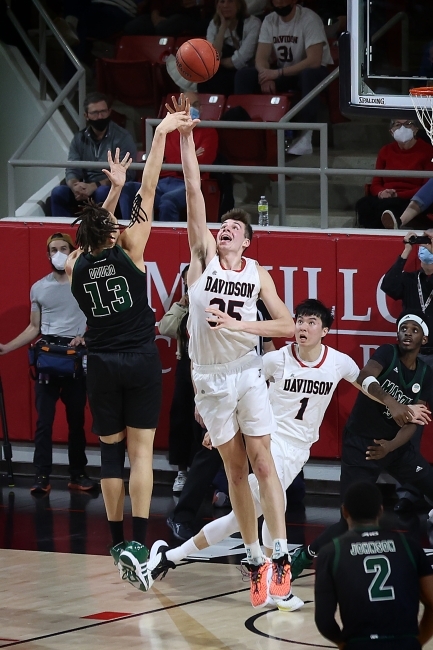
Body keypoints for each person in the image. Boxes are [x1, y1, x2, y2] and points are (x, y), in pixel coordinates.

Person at [148, 299, 424, 610]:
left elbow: (367, 384)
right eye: (299, 321)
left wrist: (400, 406)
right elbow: (241, 389)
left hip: (300, 449)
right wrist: (218, 425)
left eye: (311, 323)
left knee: (241, 518)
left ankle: (170, 557)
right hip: (270, 441)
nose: (303, 327)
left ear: (325, 330)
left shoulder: (338, 362)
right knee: (270, 503)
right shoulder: (275, 360)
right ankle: (275, 580)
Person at [168, 93, 296, 609]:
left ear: (247, 242)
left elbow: (285, 325)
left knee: (265, 463)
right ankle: (254, 559)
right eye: (223, 226)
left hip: (246, 370)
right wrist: (184, 136)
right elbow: (195, 190)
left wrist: (238, 322)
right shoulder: (203, 259)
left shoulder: (258, 273)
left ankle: (282, 557)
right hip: (209, 377)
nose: (225, 228)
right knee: (235, 471)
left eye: (235, 228)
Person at [65, 110, 192, 593]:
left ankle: (116, 542)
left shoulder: (76, 263)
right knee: (142, 455)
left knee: (110, 456)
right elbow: (153, 186)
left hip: (99, 362)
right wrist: (159, 136)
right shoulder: (132, 248)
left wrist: (111, 193)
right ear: (114, 232)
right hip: (138, 357)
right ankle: (140, 543)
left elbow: (93, 229)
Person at [291, 312, 433, 581]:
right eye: (403, 328)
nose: (407, 333)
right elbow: (366, 376)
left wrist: (390, 447)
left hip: (395, 447)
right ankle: (306, 554)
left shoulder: (426, 374)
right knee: (350, 520)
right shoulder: (387, 353)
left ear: (423, 338)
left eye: (414, 330)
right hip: (361, 445)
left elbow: (414, 422)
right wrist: (392, 402)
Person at [165, 299, 274, 541]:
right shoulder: (216, 301)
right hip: (221, 384)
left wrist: (274, 378)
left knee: (258, 456)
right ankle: (182, 515)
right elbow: (197, 357)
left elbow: (268, 346)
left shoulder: (259, 306)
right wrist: (199, 399)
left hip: (251, 384)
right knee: (211, 451)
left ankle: (254, 522)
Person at [0, 233, 96, 495]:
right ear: (47, 254)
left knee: (77, 422)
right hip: (47, 360)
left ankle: (78, 475)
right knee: (44, 422)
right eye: (53, 249)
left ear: (72, 251)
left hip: (75, 359)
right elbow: (34, 327)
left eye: (63, 248)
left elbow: (99, 319)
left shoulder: (85, 283)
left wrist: (85, 337)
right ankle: (41, 477)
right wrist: (6, 347)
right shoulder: (38, 288)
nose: (58, 253)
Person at [315, 481, 433, 650]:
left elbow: (324, 620)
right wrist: (417, 641)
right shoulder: (409, 545)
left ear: (345, 511)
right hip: (404, 643)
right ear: (381, 510)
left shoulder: (331, 552)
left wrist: (342, 643)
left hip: (359, 644)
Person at [234, 0, 333, 156]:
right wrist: (265, 75)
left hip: (313, 71)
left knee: (309, 74)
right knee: (244, 75)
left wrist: (277, 74)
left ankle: (305, 136)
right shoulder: (269, 20)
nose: (279, 3)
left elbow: (314, 60)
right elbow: (261, 57)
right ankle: (245, 132)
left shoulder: (309, 18)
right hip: (284, 71)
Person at [381, 235, 433, 512]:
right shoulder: (412, 280)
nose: (428, 248)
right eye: (426, 243)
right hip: (413, 360)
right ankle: (408, 492)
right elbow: (388, 284)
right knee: (410, 423)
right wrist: (406, 251)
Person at [51, 92, 138, 220]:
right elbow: (72, 169)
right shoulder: (79, 139)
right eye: (95, 113)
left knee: (102, 192)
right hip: (84, 188)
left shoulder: (123, 137)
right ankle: (63, 236)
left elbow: (127, 173)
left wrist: (95, 185)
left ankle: (100, 235)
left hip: (110, 188)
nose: (100, 116)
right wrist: (75, 186)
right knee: (58, 193)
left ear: (109, 112)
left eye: (103, 111)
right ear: (86, 116)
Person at [158, 265, 201, 493]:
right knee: (181, 418)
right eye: (187, 281)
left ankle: (204, 475)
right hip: (185, 366)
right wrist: (181, 305)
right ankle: (182, 472)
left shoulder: (213, 304)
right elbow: (165, 328)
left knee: (205, 423)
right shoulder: (183, 308)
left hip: (209, 368)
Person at [354, 118, 433, 229]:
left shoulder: (428, 151)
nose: (402, 128)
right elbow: (376, 182)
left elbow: (428, 187)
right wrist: (382, 193)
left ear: (416, 129)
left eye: (408, 124)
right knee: (364, 205)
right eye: (397, 125)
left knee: (393, 205)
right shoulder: (385, 151)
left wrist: (397, 195)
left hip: (411, 196)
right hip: (387, 196)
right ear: (391, 131)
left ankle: (394, 223)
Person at [154, 93, 218, 222]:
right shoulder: (168, 130)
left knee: (168, 201)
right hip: (162, 181)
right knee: (130, 190)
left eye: (193, 105)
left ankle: (168, 241)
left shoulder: (209, 131)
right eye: (185, 106)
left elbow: (201, 163)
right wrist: (190, 156)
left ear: (201, 108)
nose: (189, 110)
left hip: (188, 183)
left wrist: (173, 163)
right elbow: (157, 161)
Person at [198, 0, 261, 96]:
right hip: (222, 69)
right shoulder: (214, 24)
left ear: (239, 4)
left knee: (225, 79)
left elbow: (240, 60)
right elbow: (212, 58)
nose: (226, 5)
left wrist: (220, 62)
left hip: (245, 70)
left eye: (230, 1)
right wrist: (223, 27)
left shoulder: (253, 23)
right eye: (222, 2)